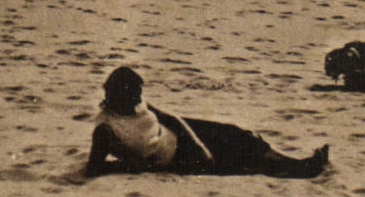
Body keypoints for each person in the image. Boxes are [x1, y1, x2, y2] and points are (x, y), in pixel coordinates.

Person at [84, 67, 328, 178]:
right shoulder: (106, 129)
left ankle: (296, 161)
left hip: (184, 134)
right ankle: (302, 170)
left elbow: (170, 119)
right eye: (134, 94)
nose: (139, 99)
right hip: (175, 157)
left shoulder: (135, 103)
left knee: (240, 135)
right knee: (242, 164)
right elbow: (94, 168)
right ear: (118, 95)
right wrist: (141, 165)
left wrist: (197, 143)